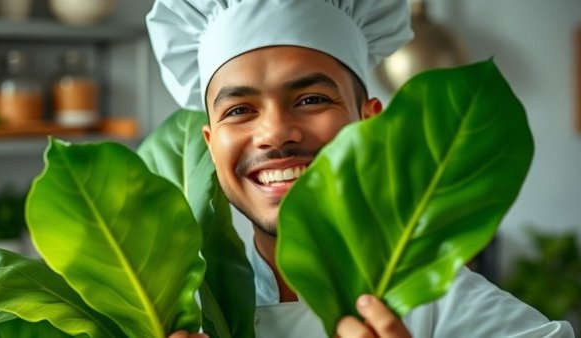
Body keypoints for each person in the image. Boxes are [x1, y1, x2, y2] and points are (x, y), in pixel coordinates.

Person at [146, 0, 575, 337]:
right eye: (239, 109)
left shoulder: (440, 303)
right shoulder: (173, 312)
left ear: (370, 122)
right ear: (210, 145)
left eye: (311, 99)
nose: (275, 134)